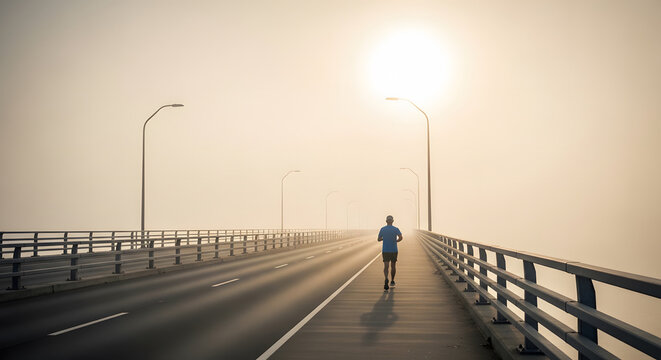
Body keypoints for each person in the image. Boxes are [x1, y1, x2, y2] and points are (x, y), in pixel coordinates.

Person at [377, 215, 403, 291]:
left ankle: (386, 278)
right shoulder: (396, 229)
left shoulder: (383, 229)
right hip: (394, 250)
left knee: (386, 266)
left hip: (385, 250)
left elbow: (378, 239)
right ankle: (392, 281)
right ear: (392, 221)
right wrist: (396, 241)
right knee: (393, 266)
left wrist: (383, 238)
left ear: (386, 221)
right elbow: (401, 237)